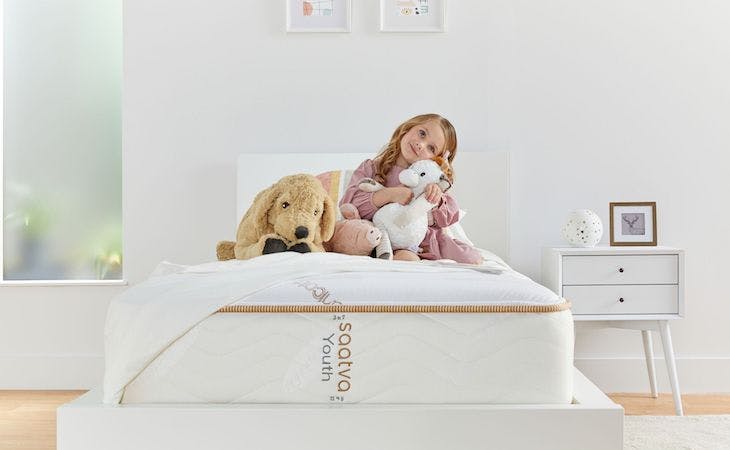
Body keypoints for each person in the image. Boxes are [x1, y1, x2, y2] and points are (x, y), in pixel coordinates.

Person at [340, 113, 482, 263]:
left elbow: (449, 215)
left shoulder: (428, 181)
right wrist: (390, 194)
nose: (421, 145)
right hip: (372, 236)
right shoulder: (372, 167)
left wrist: (436, 197)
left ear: (436, 160)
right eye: (422, 133)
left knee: (471, 258)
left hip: (413, 242)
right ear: (407, 128)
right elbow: (350, 205)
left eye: (431, 148)